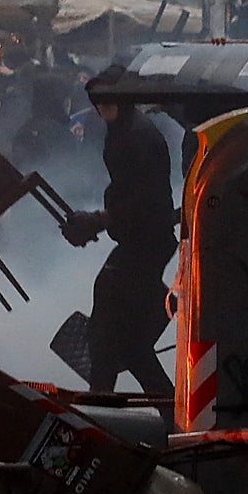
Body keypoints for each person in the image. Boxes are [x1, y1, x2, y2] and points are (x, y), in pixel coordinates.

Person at [61, 64, 177, 415]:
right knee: (130, 345)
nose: (102, 107)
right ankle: (163, 410)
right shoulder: (122, 129)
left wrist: (98, 221)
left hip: (146, 243)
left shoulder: (136, 135)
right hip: (140, 240)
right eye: (97, 101)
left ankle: (102, 405)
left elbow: (142, 199)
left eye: (109, 100)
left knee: (109, 327)